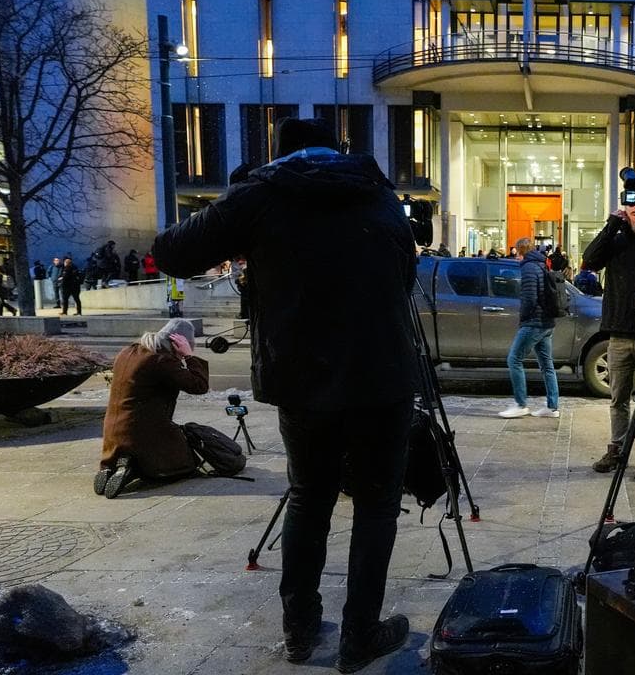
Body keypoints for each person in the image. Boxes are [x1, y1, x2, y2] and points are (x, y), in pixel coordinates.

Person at [153, 117, 419, 673]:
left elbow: (171, 252)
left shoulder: (263, 196)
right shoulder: (379, 193)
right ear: (337, 148)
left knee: (309, 497)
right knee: (375, 507)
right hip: (382, 374)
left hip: (304, 380)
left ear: (278, 154)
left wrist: (242, 202)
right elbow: (404, 271)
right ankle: (359, 636)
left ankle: (299, 632)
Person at [584, 199, 635, 481]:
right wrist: (612, 224)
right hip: (618, 335)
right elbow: (590, 259)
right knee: (618, 399)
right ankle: (616, 449)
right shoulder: (616, 240)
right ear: (627, 215)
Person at [95, 319, 208, 499]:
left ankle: (112, 465)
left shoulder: (128, 351)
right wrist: (188, 356)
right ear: (177, 342)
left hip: (112, 433)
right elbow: (199, 386)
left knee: (142, 443)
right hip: (141, 433)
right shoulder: (161, 360)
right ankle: (133, 469)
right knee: (184, 464)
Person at [499, 237, 561, 420]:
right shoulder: (542, 264)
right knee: (547, 365)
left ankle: (520, 404)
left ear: (520, 251)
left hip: (534, 322)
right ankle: (552, 407)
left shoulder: (528, 267)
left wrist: (523, 318)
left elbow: (529, 298)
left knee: (514, 359)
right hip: (547, 322)